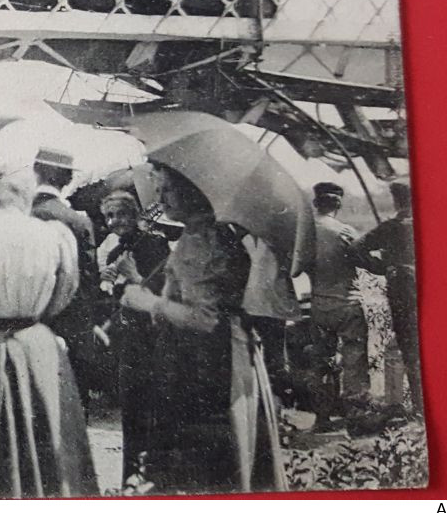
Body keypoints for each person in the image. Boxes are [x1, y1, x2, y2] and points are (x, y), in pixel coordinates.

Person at [114, 165, 285, 493]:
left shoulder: (200, 240)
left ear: (192, 191)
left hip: (206, 363)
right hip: (220, 355)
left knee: (204, 466)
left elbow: (204, 318)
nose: (160, 198)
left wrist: (148, 303)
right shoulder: (210, 234)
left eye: (167, 190)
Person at [0, 165, 97, 498]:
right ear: (24, 195)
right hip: (38, 344)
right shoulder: (53, 235)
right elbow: (65, 292)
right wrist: (34, 316)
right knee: (49, 437)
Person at [96, 188, 171, 486]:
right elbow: (117, 299)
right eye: (109, 217)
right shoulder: (115, 253)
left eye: (120, 214)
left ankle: (152, 477)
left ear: (135, 215)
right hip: (129, 342)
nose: (115, 222)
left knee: (154, 407)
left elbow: (166, 293)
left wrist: (135, 275)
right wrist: (108, 283)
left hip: (155, 339)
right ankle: (130, 477)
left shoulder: (156, 245)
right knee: (131, 409)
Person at [30, 148, 101, 410]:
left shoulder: (23, 216)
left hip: (27, 324)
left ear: (35, 173)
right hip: (73, 325)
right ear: (68, 179)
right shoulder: (79, 222)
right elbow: (90, 281)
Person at [306, 181, 375, 430]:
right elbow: (368, 263)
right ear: (338, 204)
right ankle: (356, 416)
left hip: (319, 305)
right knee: (354, 359)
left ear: (316, 203)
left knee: (320, 361)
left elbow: (297, 268)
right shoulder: (344, 232)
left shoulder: (305, 233)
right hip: (347, 303)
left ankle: (322, 417)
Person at [361, 180, 421, 415]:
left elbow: (356, 248)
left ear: (397, 201)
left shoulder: (390, 227)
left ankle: (418, 406)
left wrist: (382, 265)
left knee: (409, 347)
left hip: (402, 291)